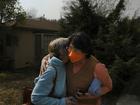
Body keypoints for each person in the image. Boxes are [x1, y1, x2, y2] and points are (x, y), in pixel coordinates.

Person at [40, 32, 112, 105]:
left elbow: (108, 87)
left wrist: (90, 96)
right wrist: (44, 59)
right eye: (70, 48)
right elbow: (54, 52)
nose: (71, 53)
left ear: (86, 52)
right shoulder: (66, 59)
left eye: (76, 51)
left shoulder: (97, 67)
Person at [31, 38, 74, 105]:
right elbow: (36, 98)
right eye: (69, 48)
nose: (72, 51)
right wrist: (62, 102)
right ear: (62, 51)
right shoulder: (51, 70)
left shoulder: (62, 64)